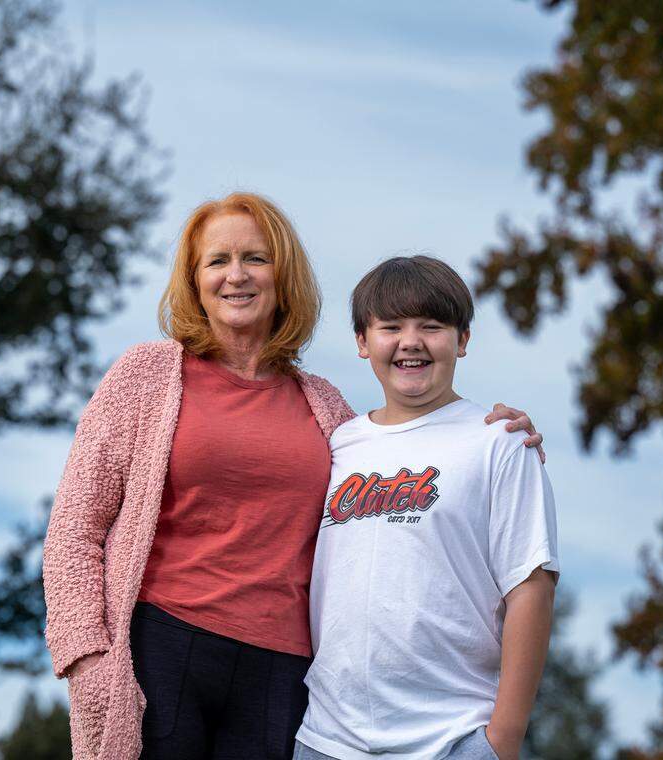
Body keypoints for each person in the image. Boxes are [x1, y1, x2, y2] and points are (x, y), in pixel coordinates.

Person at [42, 193, 546, 760]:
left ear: (284, 277)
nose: (237, 276)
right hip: (164, 649)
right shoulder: (146, 377)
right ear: (194, 279)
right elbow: (74, 530)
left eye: (256, 259)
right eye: (218, 261)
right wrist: (85, 654)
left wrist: (503, 431)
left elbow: (405, 459)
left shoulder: (328, 409)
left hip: (281, 673)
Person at [294, 256, 559, 760]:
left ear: (461, 340)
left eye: (431, 326)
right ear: (361, 341)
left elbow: (532, 589)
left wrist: (503, 740)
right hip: (326, 739)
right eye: (390, 326)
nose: (410, 341)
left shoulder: (498, 443)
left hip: (451, 738)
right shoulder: (337, 444)